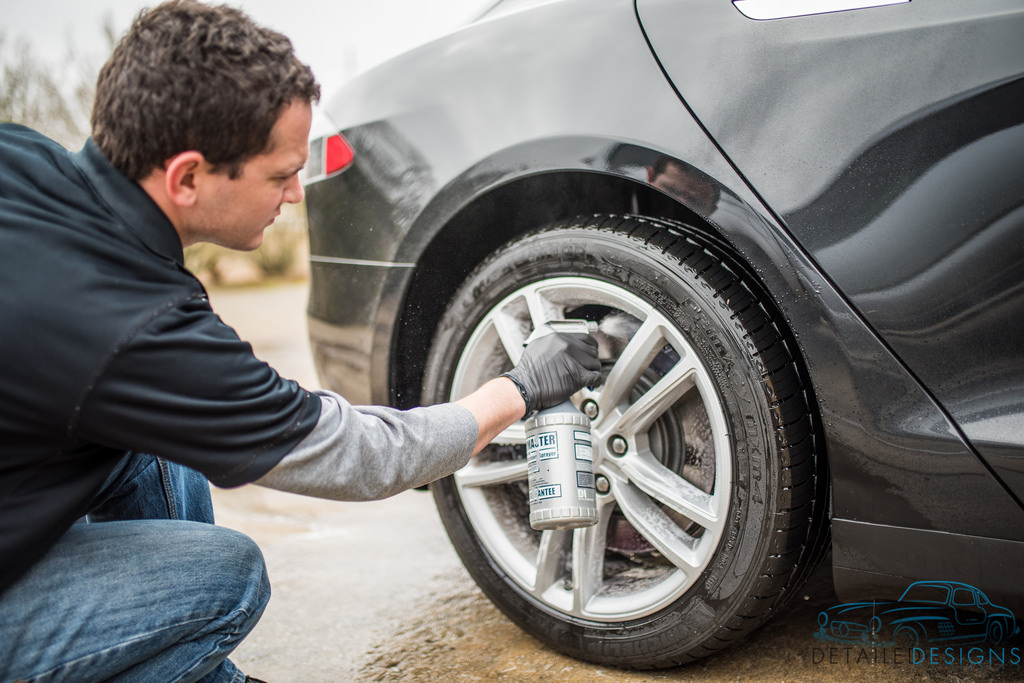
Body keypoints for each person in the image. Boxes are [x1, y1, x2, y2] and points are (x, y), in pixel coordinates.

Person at [0, 2, 602, 681]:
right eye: (279, 174)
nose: (294, 194)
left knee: (151, 441)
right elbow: (365, 454)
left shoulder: (18, 158)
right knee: (225, 577)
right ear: (188, 177)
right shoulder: (129, 327)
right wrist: (517, 389)